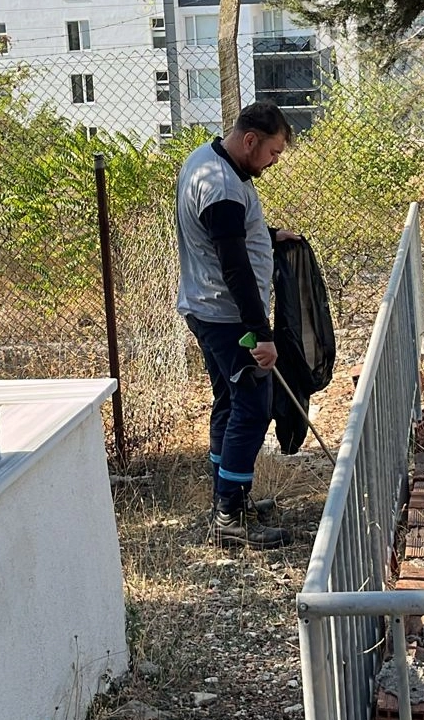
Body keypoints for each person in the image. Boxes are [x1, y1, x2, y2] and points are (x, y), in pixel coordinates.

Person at [175, 102, 299, 550]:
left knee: (230, 402)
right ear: (250, 141)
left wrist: (268, 233)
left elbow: (228, 234)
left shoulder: (207, 161)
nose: (273, 161)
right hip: (226, 316)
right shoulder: (222, 186)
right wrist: (261, 334)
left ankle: (229, 498)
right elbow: (234, 266)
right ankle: (229, 516)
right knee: (251, 405)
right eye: (272, 152)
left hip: (207, 309)